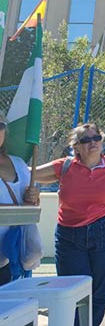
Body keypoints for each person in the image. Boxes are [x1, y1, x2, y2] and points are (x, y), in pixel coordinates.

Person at [33, 123, 105, 326]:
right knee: (72, 291)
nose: (92, 143)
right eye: (85, 140)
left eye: (96, 138)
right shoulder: (65, 166)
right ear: (76, 146)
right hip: (70, 236)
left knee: (99, 293)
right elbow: (28, 173)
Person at [0, 119, 39, 285]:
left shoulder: (19, 164)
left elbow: (33, 204)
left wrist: (33, 197)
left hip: (10, 254)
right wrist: (18, 210)